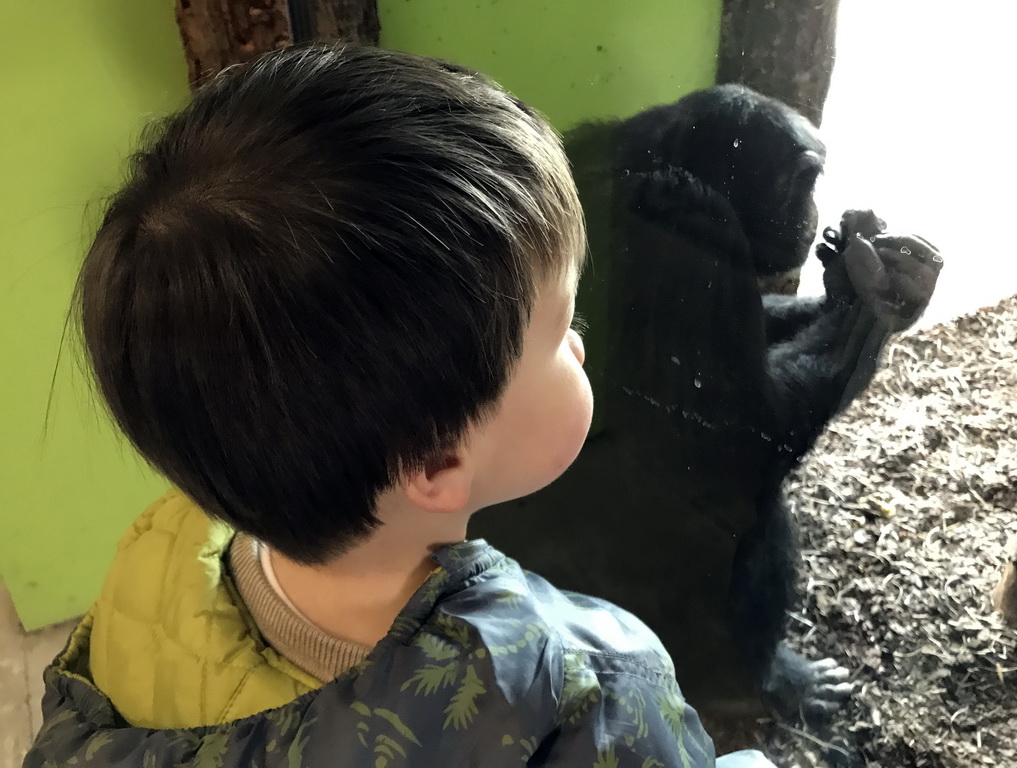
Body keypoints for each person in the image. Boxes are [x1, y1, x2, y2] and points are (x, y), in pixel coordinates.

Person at [24, 44, 777, 768]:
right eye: (562, 329)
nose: (581, 349)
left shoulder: (159, 543)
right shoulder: (576, 697)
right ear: (438, 460)